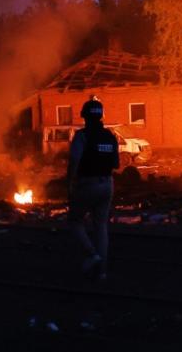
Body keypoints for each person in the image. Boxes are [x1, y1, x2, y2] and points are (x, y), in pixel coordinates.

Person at [67, 97, 119, 279]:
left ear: (84, 117)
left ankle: (92, 254)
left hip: (87, 184)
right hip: (107, 184)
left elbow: (74, 161)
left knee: (75, 221)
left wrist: (69, 184)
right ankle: (102, 272)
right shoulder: (111, 136)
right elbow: (116, 164)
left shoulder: (82, 136)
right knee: (101, 227)